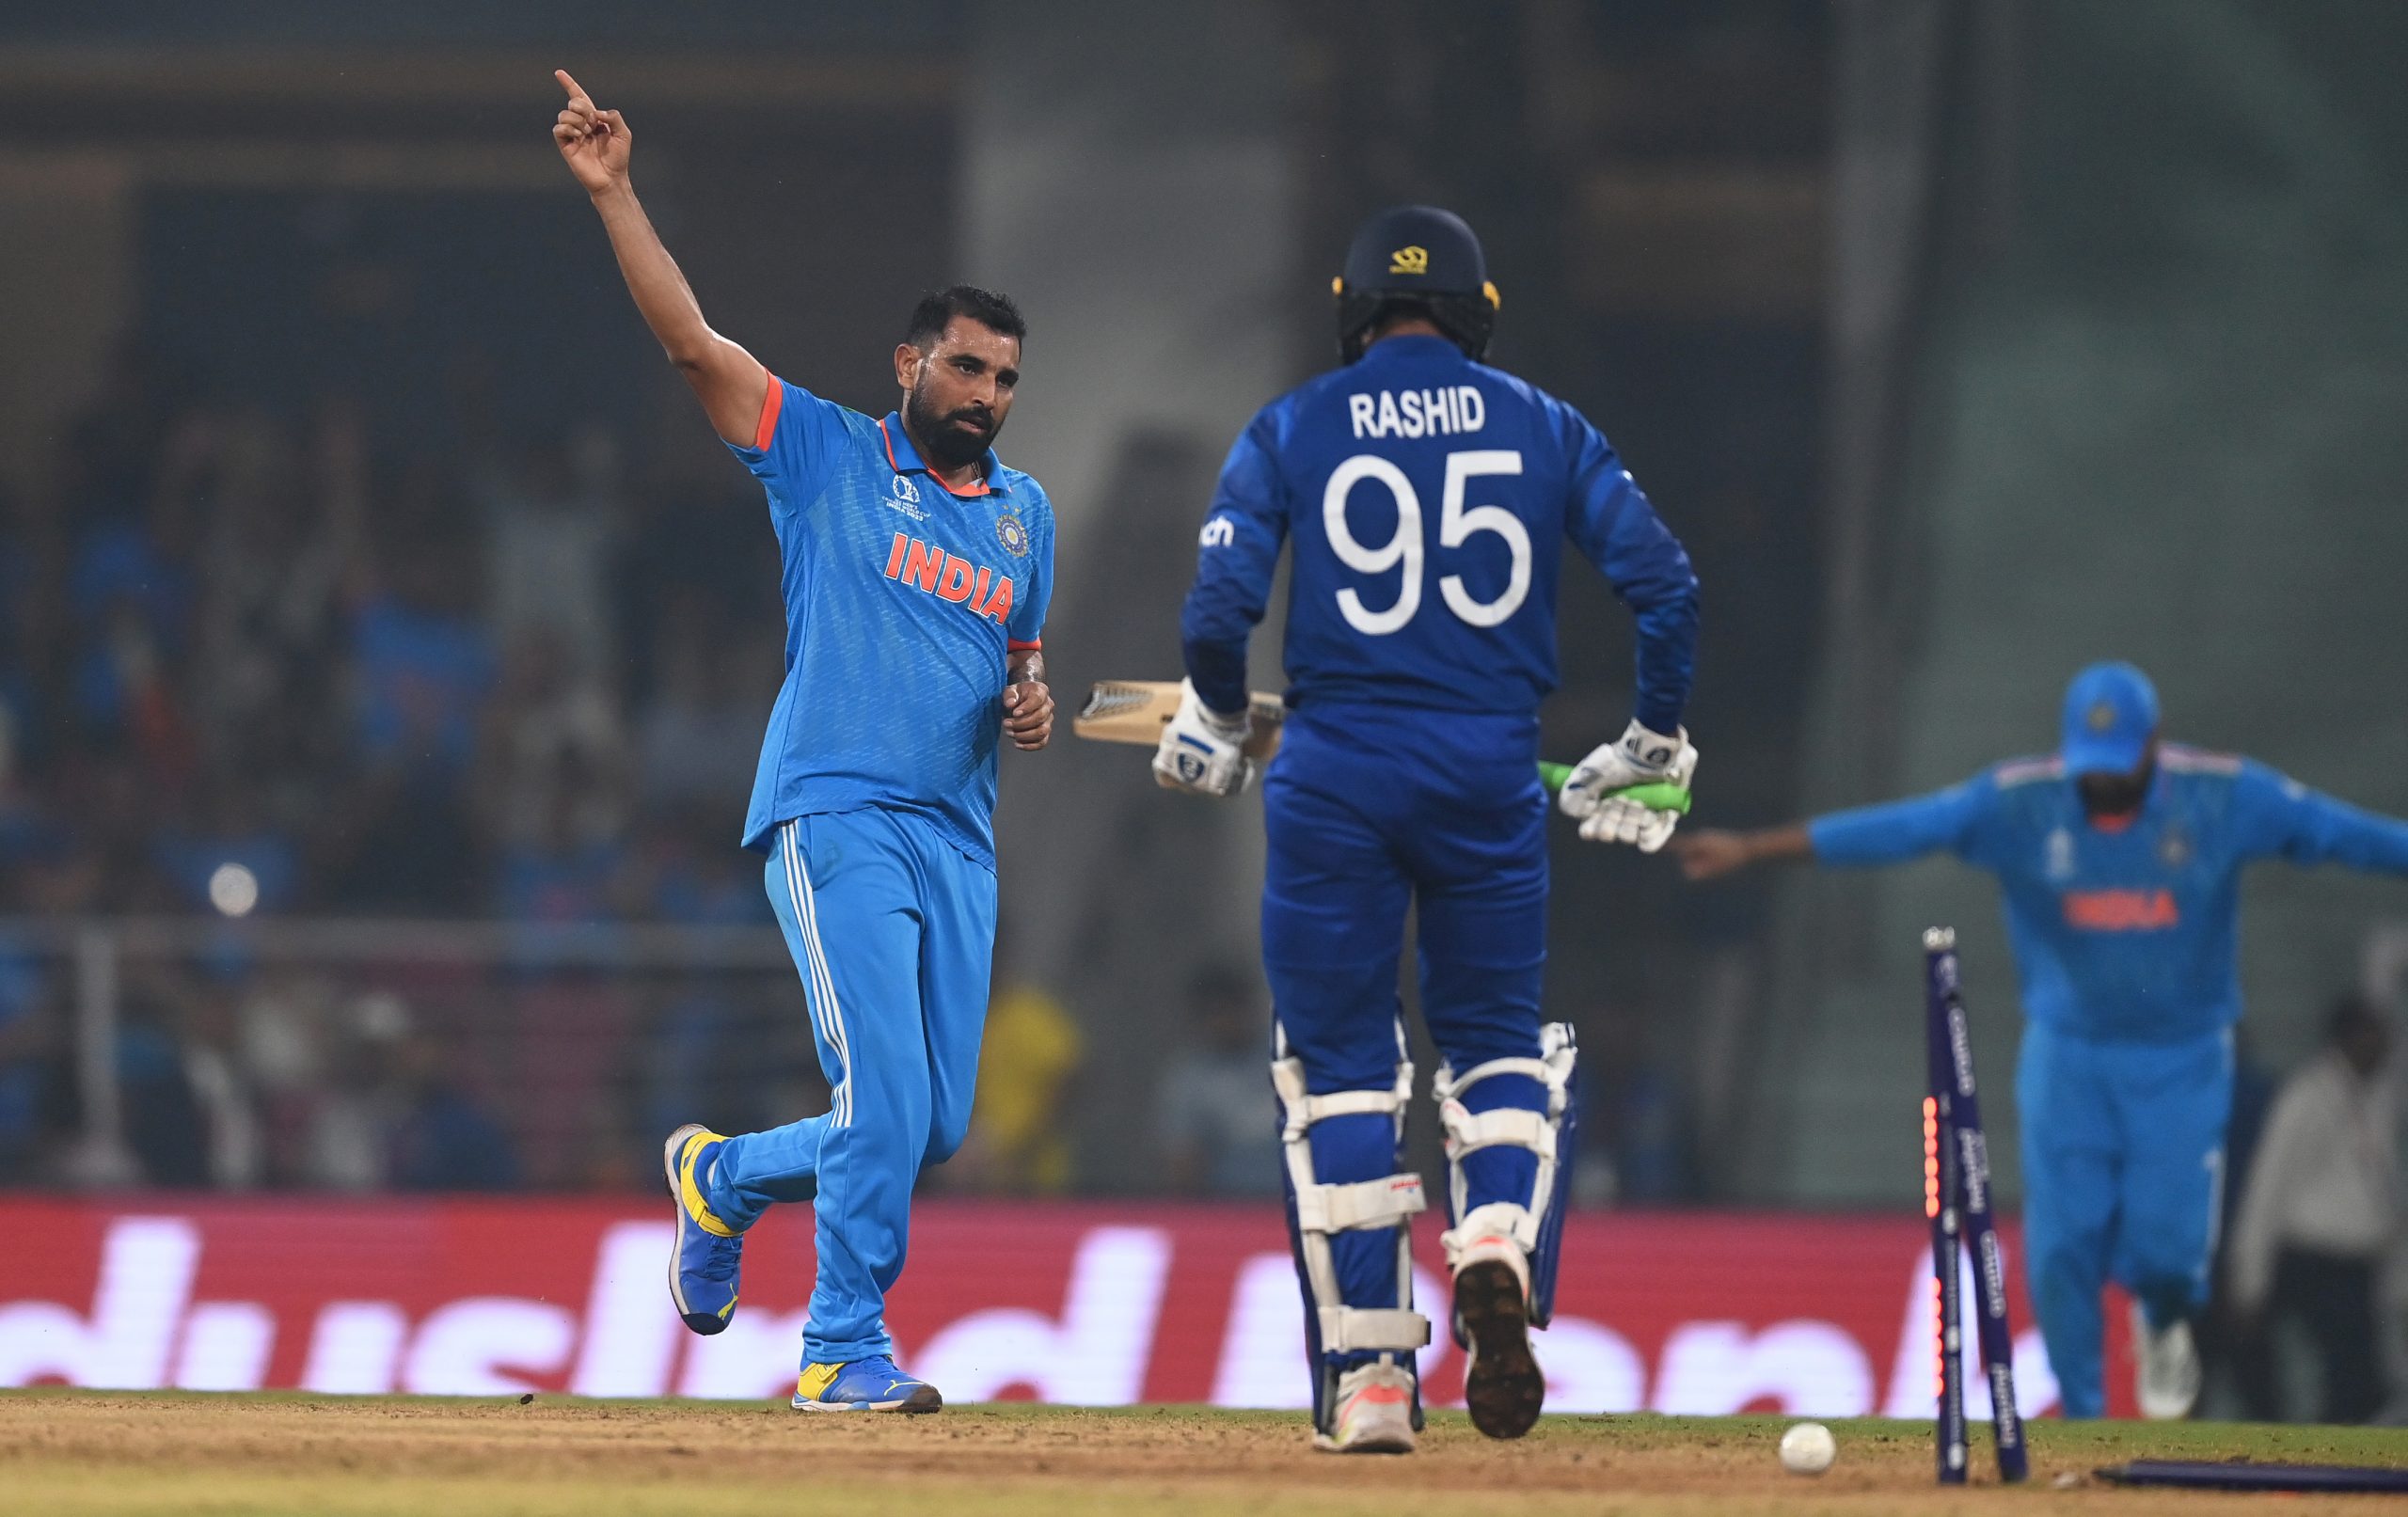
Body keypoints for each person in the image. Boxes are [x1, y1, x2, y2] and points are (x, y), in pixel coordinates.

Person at [553, 70, 1056, 1414]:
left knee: (928, 1127)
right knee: (885, 1100)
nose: (986, 391)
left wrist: (1033, 700)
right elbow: (692, 344)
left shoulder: (1026, 518)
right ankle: (840, 1345)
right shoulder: (828, 454)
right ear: (910, 364)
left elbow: (1020, 664)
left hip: (960, 836)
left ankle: (717, 1177)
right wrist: (615, 194)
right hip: (839, 812)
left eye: (1005, 376)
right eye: (965, 364)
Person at [1158, 206, 1700, 1451]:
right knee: (1499, 1047)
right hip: (1489, 774)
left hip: (1335, 777)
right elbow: (1668, 589)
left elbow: (1218, 607)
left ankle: (1373, 1384)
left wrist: (1221, 715)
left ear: (1355, 308)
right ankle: (1497, 1235)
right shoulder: (1548, 426)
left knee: (1341, 1068)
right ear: (1479, 308)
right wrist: (1652, 742)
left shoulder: (1291, 424)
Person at [1675, 661, 2408, 1419]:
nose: (2102, 790)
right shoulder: (2019, 805)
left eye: (2119, 770)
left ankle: (2162, 1322)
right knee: (2062, 1248)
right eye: (2090, 773)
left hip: (2182, 1055)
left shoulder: (2223, 797)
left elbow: (2341, 834)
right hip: (2071, 1052)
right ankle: (2084, 1422)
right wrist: (1756, 849)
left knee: (2165, 1251)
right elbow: (1904, 828)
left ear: (2153, 744)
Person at [2226, 995, 2400, 1423]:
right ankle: (2324, 1463)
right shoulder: (2307, 1098)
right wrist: (2250, 1279)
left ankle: (2335, 1460)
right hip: (2313, 1260)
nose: (2384, 1045)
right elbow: (2268, 1187)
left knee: (2365, 1382)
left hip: (2358, 1265)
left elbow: (2382, 1188)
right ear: (2347, 1037)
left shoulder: (2375, 1099)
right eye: (2372, 1034)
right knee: (2350, 1377)